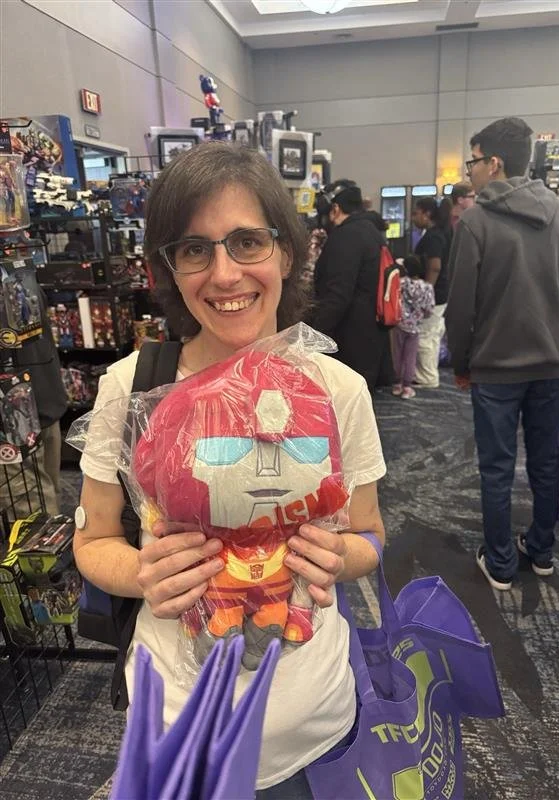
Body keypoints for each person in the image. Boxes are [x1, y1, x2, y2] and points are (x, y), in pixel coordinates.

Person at [74, 144, 386, 798]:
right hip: (181, 728)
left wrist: (340, 557)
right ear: (170, 267)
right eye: (195, 249)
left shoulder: (337, 388)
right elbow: (94, 540)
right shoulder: (133, 388)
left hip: (316, 728)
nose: (224, 274)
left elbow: (370, 534)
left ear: (286, 252)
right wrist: (144, 573)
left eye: (247, 242)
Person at [445, 116, 559, 591]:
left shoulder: (475, 222)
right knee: (546, 461)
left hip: (495, 369)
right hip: (553, 365)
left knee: (496, 468)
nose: (470, 170)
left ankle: (500, 563)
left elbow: (461, 306)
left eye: (473, 161)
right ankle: (542, 550)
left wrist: (462, 363)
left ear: (493, 163)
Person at [312, 180, 391, 390]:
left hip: (349, 341)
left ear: (335, 209)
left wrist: (313, 336)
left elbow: (337, 295)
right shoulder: (371, 230)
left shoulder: (346, 237)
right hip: (370, 334)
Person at [5, 287, 68, 517]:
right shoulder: (19, 278)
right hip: (41, 399)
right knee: (45, 494)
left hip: (16, 416)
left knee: (31, 509)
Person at [411, 196, 452, 388]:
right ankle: (428, 374)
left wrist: (425, 293)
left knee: (425, 336)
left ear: (427, 214)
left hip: (434, 295)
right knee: (432, 335)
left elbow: (434, 267)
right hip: (440, 293)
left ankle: (426, 377)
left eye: (416, 213)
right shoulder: (439, 233)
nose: (413, 218)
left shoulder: (433, 237)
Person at [391, 255, 434, 399]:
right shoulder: (427, 287)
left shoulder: (400, 283)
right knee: (410, 357)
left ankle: (397, 384)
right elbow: (429, 309)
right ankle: (407, 387)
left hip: (399, 324)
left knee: (397, 355)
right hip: (415, 326)